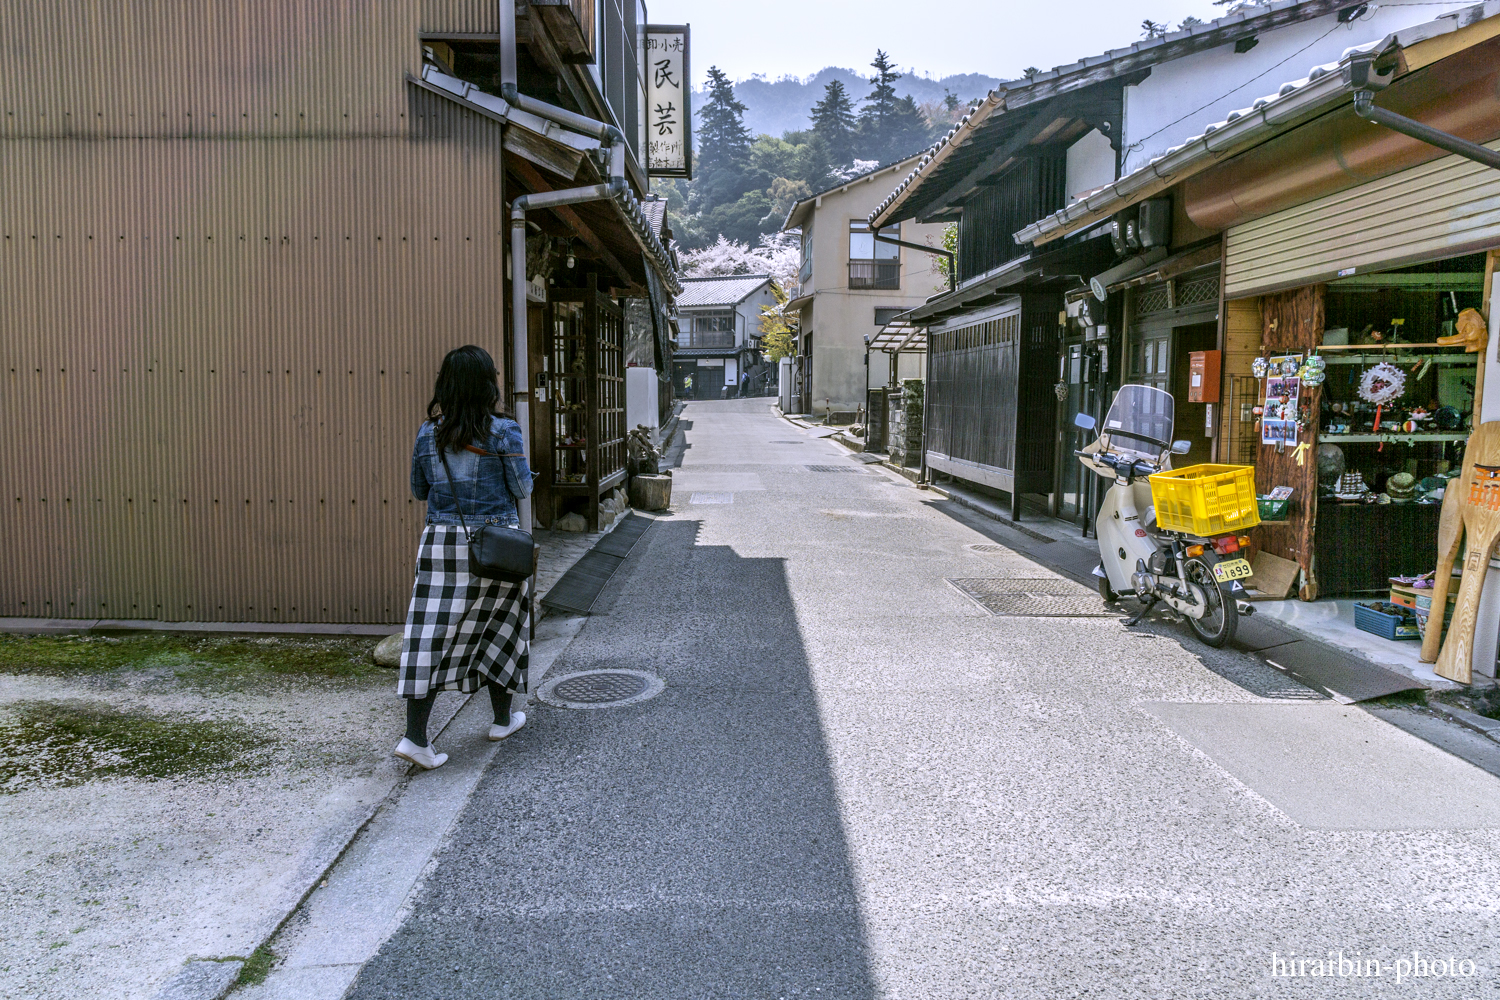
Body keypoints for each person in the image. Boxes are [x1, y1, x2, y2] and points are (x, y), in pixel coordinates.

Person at [394, 345, 535, 770]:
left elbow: (420, 491)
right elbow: (522, 488)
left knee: (430, 637)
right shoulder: (505, 431)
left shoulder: (427, 433)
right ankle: (501, 719)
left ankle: (416, 738)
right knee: (502, 627)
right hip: (496, 543)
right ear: (485, 384)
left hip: (441, 544)